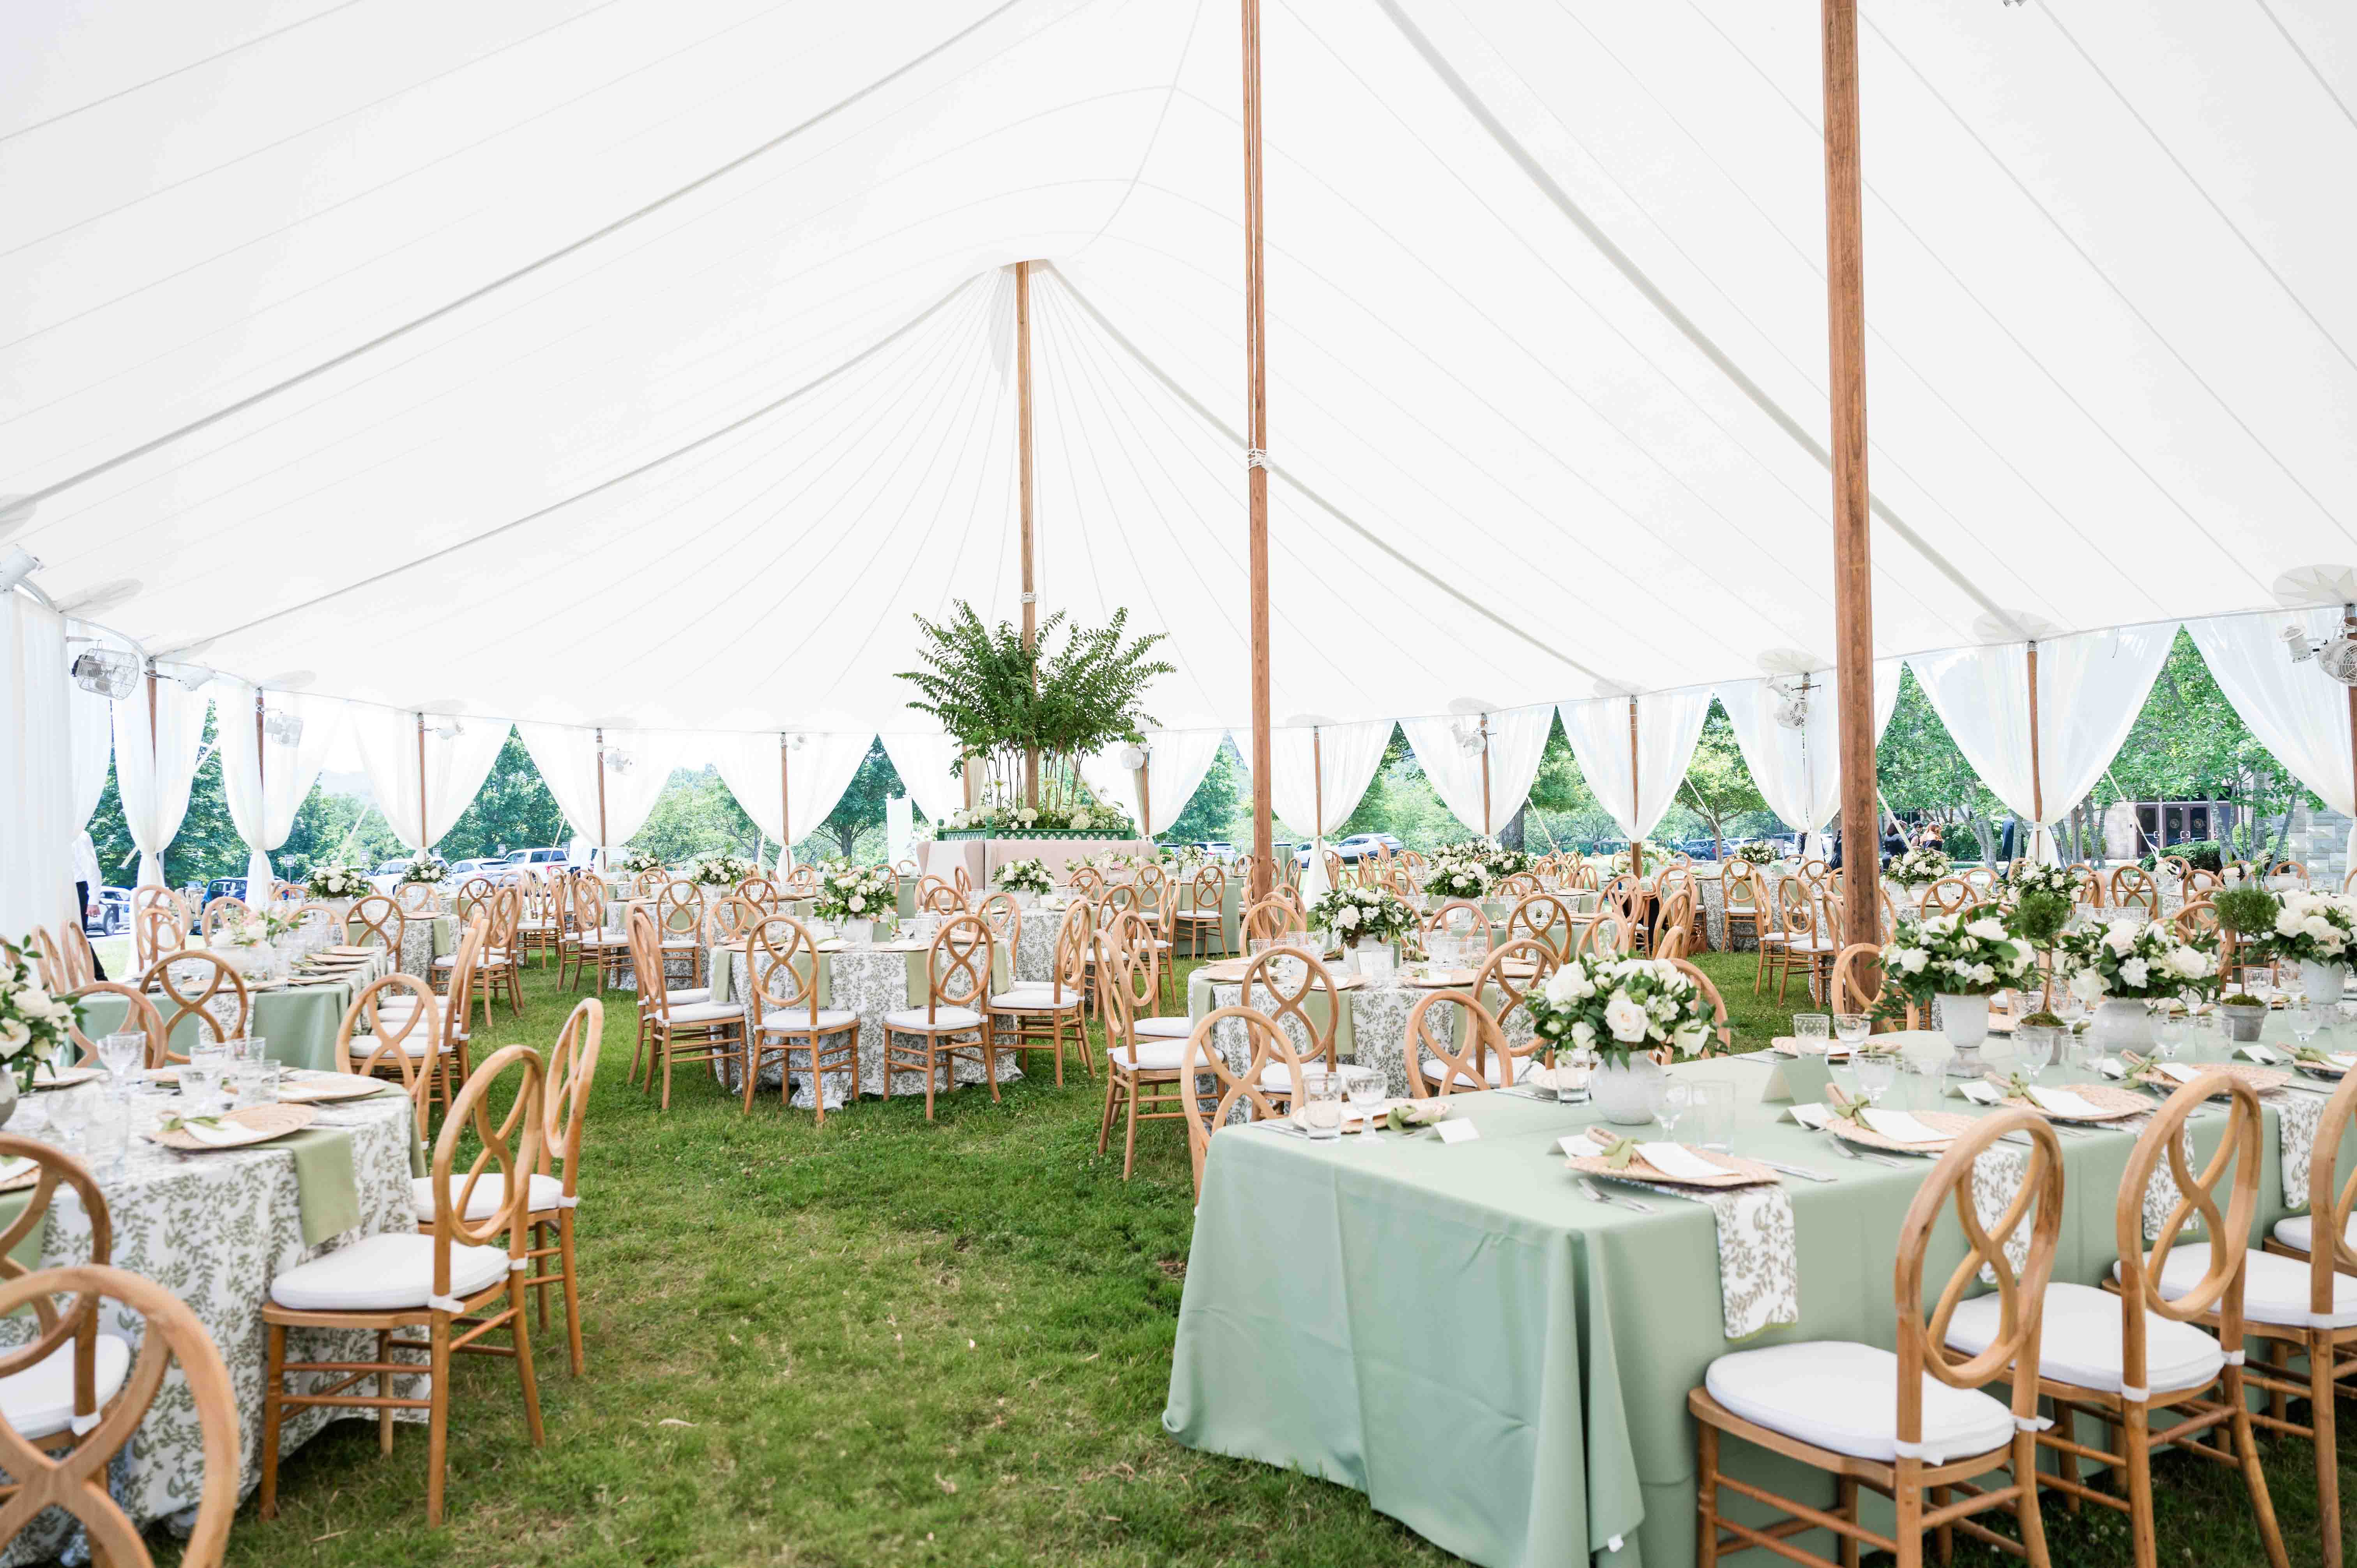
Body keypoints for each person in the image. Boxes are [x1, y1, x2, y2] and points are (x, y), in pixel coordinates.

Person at [71, 829, 107, 980]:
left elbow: (93, 870)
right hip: (60, 890)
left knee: (79, 936)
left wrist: (93, 901)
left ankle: (100, 979)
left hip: (77, 889)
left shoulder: (79, 836)